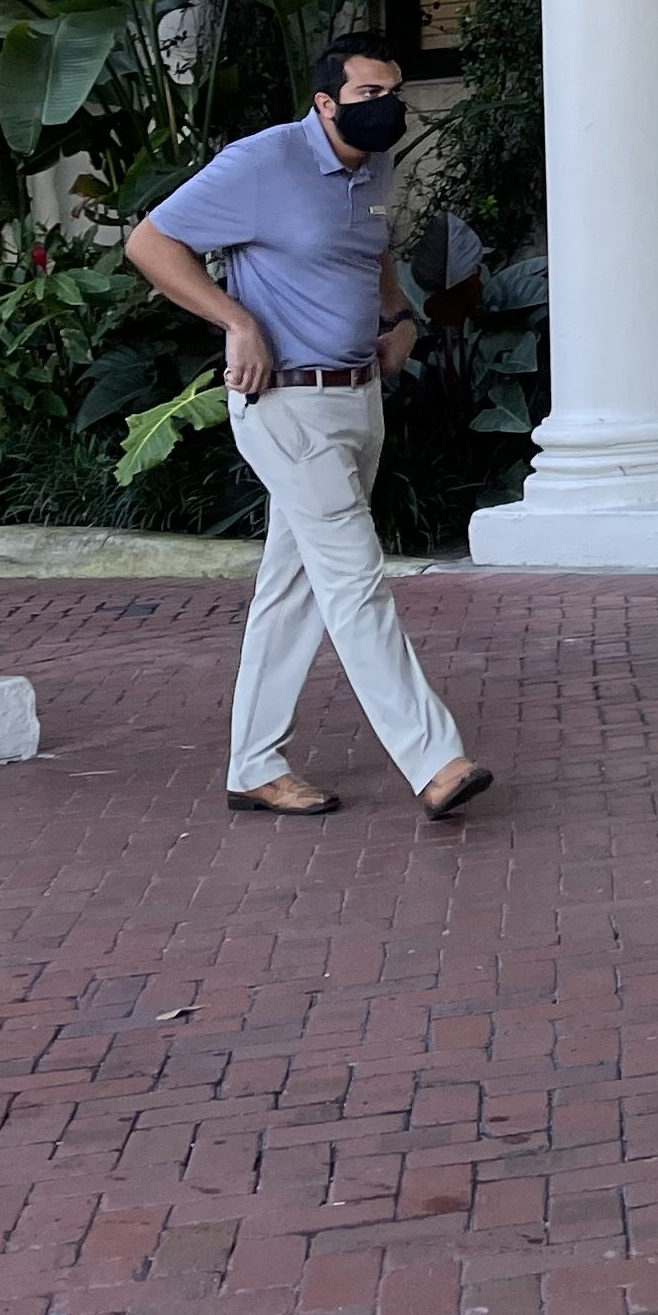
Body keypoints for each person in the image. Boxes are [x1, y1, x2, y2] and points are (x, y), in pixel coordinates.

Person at [125, 41, 492, 820]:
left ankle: (255, 764)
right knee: (355, 580)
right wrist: (237, 322)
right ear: (325, 102)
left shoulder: (375, 167)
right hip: (287, 404)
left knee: (292, 589)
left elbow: (372, 251)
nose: (385, 105)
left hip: (357, 397)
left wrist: (398, 318)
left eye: (393, 91)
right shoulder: (261, 163)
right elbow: (150, 242)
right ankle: (434, 760)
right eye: (367, 92)